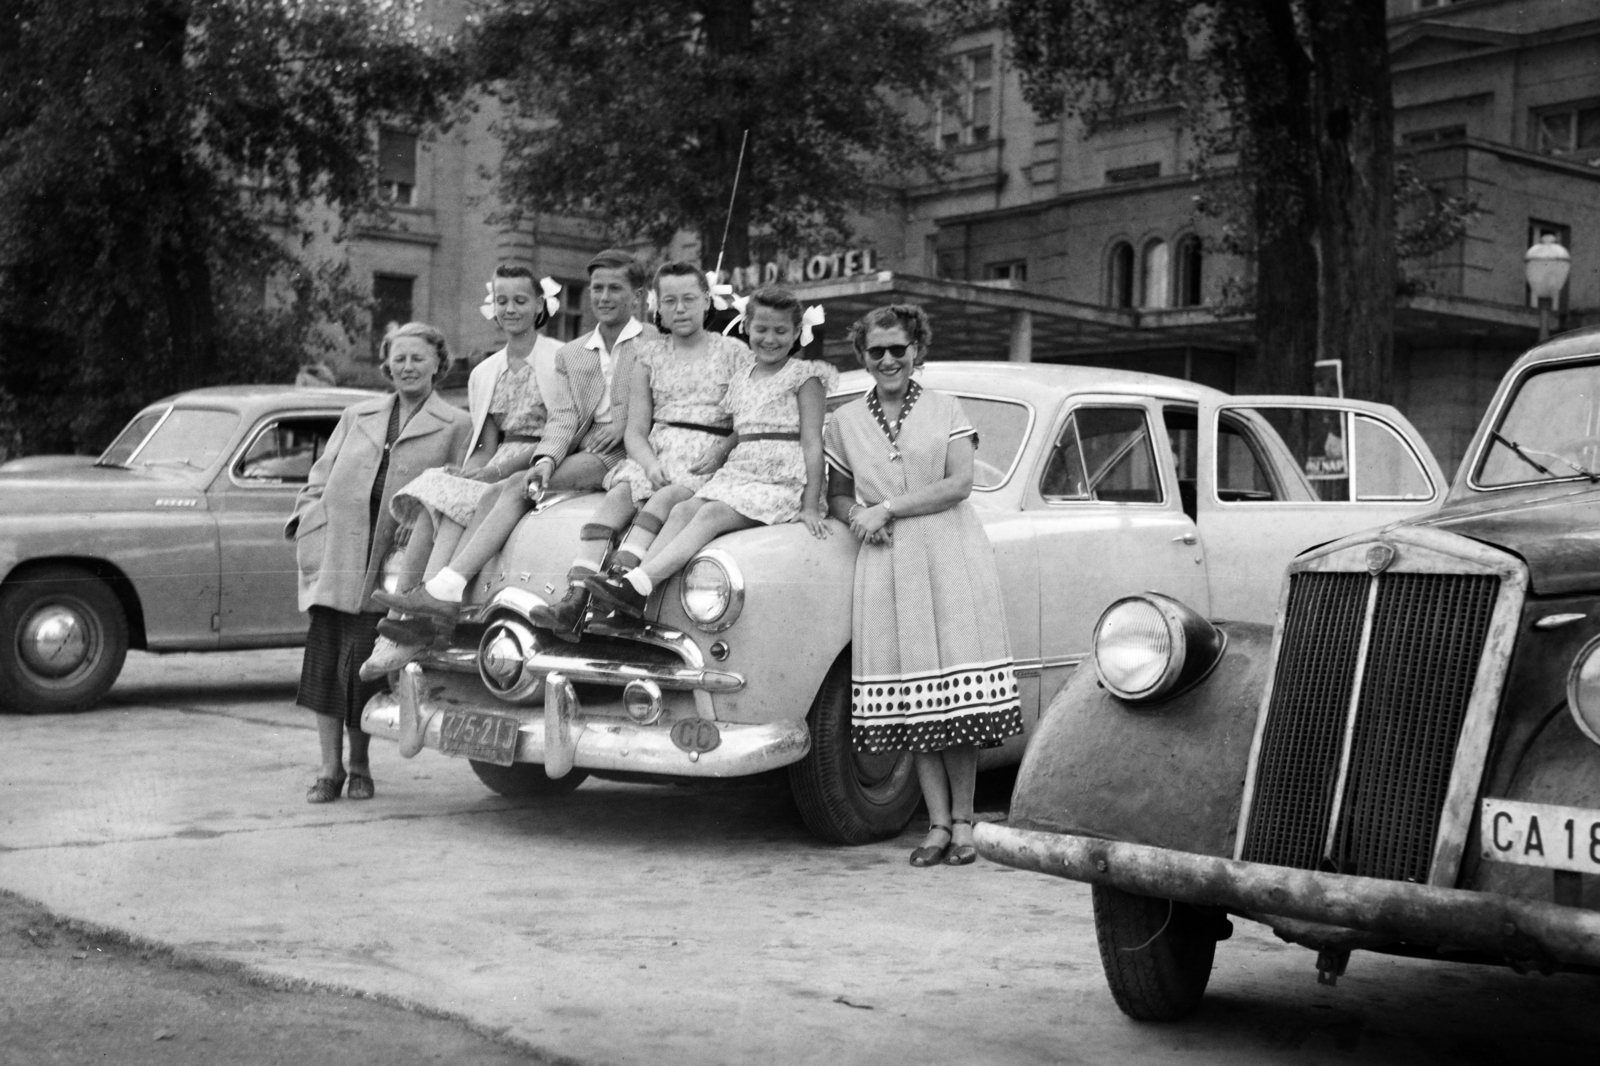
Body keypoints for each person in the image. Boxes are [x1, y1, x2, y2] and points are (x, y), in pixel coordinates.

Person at [371, 249, 658, 654]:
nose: (604, 297)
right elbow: (563, 420)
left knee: (510, 485)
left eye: (616, 288)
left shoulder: (654, 343)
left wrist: (625, 427)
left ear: (638, 296)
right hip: (586, 448)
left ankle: (444, 589)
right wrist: (545, 461)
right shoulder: (574, 353)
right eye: (597, 288)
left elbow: (664, 402)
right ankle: (435, 598)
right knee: (497, 489)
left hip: (630, 452)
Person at [823, 304, 1023, 866]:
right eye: (875, 351)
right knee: (917, 699)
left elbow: (959, 484)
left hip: (949, 553)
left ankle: (965, 823)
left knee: (955, 700)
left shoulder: (945, 407)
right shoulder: (844, 420)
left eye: (898, 349)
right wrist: (857, 516)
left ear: (917, 351)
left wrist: (885, 507)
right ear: (861, 356)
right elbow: (838, 494)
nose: (887, 360)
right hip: (888, 564)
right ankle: (935, 826)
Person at [286, 323, 472, 803]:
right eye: (399, 359)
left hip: (393, 563)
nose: (407, 367)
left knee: (363, 667)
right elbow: (318, 478)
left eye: (418, 358)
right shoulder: (357, 414)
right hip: (338, 556)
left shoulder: (456, 424)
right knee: (325, 666)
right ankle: (328, 769)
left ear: (438, 364)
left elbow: (458, 492)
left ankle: (361, 766)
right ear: (386, 365)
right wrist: (309, 524)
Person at [357, 265, 569, 674]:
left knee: (459, 497)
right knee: (440, 490)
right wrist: (469, 472)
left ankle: (423, 616)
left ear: (540, 305)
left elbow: (560, 435)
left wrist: (491, 474)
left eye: (520, 301)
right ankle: (403, 619)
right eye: (502, 301)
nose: (510, 309)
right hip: (498, 460)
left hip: (540, 462)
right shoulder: (485, 372)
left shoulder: (560, 358)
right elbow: (486, 445)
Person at [586, 287, 834, 616]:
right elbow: (743, 428)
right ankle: (632, 590)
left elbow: (812, 442)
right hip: (741, 471)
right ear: (746, 327)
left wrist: (811, 505)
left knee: (711, 514)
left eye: (781, 331)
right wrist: (720, 451)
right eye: (761, 329)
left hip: (783, 478)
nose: (770, 339)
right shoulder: (742, 377)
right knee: (683, 509)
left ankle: (638, 587)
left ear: (796, 333)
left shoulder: (806, 376)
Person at [530, 260, 745, 638]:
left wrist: (721, 451)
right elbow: (635, 431)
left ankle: (619, 586)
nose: (680, 309)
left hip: (707, 453)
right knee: (618, 495)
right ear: (657, 306)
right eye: (671, 301)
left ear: (707, 301)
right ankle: (575, 597)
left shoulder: (734, 352)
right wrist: (647, 465)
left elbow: (747, 422)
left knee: (668, 499)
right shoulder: (649, 356)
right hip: (659, 449)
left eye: (689, 300)